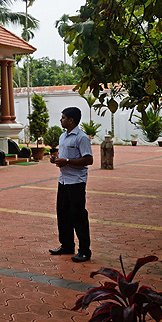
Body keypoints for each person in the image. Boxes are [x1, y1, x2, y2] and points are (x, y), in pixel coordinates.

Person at [49, 106, 93, 262]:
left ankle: (84, 251)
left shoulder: (82, 138)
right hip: (63, 181)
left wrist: (66, 161)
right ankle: (67, 245)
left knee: (78, 215)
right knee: (63, 213)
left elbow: (88, 159)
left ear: (71, 120)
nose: (61, 120)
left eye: (63, 117)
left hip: (76, 182)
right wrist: (56, 159)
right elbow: (64, 157)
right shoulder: (63, 137)